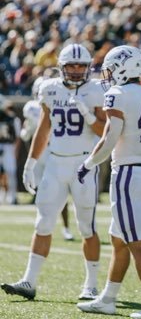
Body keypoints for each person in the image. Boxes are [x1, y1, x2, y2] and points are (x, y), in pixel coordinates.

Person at [1, 43, 105, 301]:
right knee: (43, 222)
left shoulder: (95, 91)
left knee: (86, 226)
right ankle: (29, 280)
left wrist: (90, 116)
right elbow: (45, 126)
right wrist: (31, 162)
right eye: (72, 65)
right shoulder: (50, 89)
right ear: (62, 67)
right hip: (56, 163)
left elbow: (105, 131)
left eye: (82, 65)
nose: (78, 70)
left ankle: (91, 284)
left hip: (84, 164)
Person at [76, 45, 141, 318]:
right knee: (119, 240)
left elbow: (110, 137)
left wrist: (88, 164)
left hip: (127, 174)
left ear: (123, 68)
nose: (108, 75)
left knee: (137, 243)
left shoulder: (118, 94)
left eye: (111, 69)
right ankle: (108, 298)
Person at [20, 75, 74, 241]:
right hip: (42, 153)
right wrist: (28, 129)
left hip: (53, 151)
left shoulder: (58, 104)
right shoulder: (32, 107)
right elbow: (26, 134)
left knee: (59, 190)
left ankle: (64, 227)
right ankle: (44, 226)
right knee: (43, 191)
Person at [0, 96, 21, 205]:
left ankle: (12, 196)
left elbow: (17, 138)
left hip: (9, 147)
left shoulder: (14, 120)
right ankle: (2, 195)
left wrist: (15, 151)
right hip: (1, 145)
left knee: (11, 172)